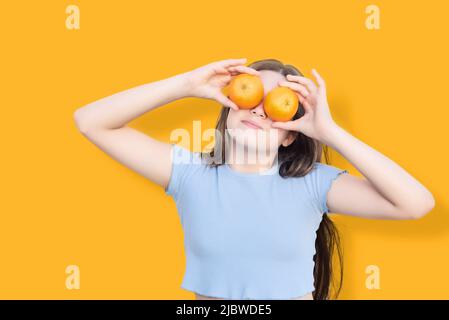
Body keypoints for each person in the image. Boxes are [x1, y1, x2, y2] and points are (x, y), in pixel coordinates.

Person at [73, 58, 435, 300]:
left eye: (278, 102)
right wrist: (185, 84)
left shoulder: (312, 183)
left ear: (290, 134)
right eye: (251, 94)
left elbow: (416, 203)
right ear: (229, 105)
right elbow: (90, 121)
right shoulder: (190, 174)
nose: (260, 108)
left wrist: (331, 132)